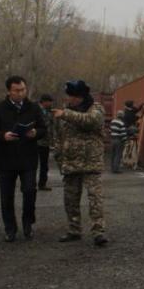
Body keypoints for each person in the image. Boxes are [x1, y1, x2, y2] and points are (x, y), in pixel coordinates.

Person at [0, 76, 48, 242]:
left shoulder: (33, 108)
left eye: (23, 90)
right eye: (17, 90)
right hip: (6, 159)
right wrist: (3, 136)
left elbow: (43, 128)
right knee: (6, 196)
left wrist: (35, 133)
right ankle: (10, 228)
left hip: (28, 158)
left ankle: (28, 223)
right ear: (9, 91)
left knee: (29, 191)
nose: (20, 93)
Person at [52, 80, 108, 246]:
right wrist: (59, 158)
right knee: (70, 200)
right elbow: (58, 137)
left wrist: (65, 114)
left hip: (91, 163)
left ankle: (98, 232)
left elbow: (92, 121)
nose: (70, 99)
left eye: (74, 97)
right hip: (71, 164)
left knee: (95, 199)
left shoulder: (96, 108)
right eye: (69, 96)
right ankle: (74, 230)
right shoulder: (64, 113)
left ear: (81, 97)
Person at [37, 94, 55, 191]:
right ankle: (30, 183)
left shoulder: (49, 111)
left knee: (44, 165)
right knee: (32, 164)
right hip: (36, 141)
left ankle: (42, 184)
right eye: (49, 102)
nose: (51, 103)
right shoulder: (36, 111)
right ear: (44, 101)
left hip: (45, 142)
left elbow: (51, 127)